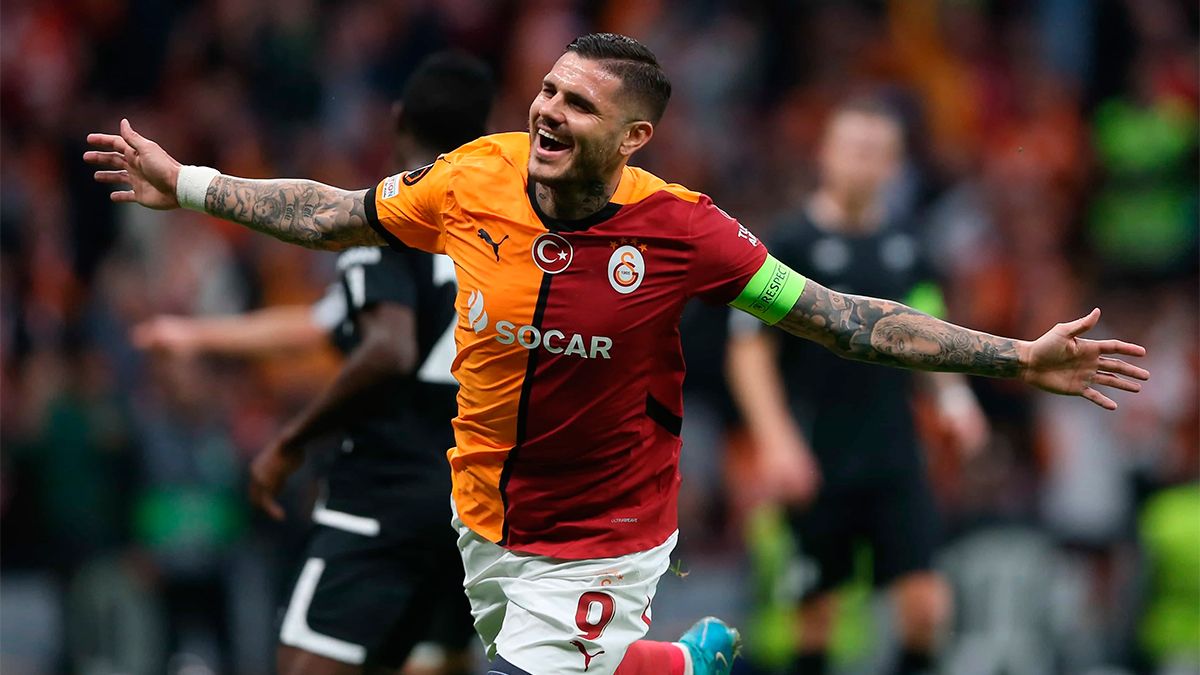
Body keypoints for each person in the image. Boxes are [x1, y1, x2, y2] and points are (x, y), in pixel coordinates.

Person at [85, 32, 1149, 675]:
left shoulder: (688, 231)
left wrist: (1015, 359)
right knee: (542, 656)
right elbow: (334, 213)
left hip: (605, 529)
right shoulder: (474, 175)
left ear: (633, 139)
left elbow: (839, 316)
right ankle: (678, 661)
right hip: (482, 508)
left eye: (578, 104)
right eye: (548, 90)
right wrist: (190, 184)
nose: (549, 110)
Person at [132, 52, 494, 675]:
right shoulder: (498, 233)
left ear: (397, 119)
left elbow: (387, 347)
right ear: (486, 135)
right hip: (476, 499)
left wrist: (290, 441)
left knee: (304, 662)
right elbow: (325, 323)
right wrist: (197, 336)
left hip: (383, 492)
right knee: (439, 659)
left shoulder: (388, 218)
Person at [727, 97, 986, 674]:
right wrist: (775, 440)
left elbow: (930, 333)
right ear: (825, 154)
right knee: (816, 617)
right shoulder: (788, 245)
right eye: (852, 149)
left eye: (876, 152)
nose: (862, 163)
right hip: (817, 450)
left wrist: (955, 399)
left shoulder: (910, 247)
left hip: (896, 453)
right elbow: (749, 350)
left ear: (894, 165)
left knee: (927, 607)